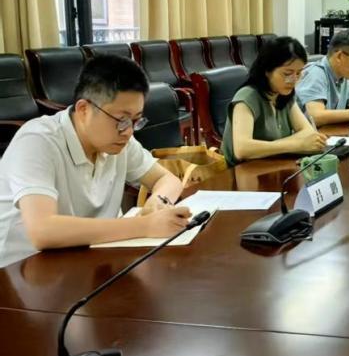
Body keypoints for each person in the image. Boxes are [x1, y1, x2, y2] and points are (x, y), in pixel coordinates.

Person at [0, 55, 191, 267]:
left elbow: (167, 179)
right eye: (121, 120)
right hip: (21, 270)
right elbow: (42, 231)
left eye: (136, 120)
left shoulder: (119, 141)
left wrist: (158, 201)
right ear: (84, 109)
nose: (128, 131)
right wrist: (145, 225)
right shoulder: (37, 141)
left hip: (87, 259)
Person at [221, 36, 328, 166]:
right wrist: (296, 144)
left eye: (299, 73)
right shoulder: (247, 97)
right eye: (287, 74)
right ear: (267, 70)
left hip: (273, 165)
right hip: (242, 171)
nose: (294, 80)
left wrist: (279, 146)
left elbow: (308, 132)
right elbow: (242, 149)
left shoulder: (284, 94)